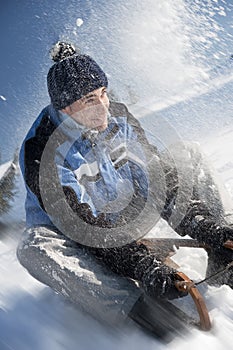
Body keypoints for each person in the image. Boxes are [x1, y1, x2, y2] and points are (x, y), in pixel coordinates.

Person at [17, 42, 232, 333]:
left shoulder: (119, 118)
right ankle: (137, 310)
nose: (104, 106)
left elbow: (157, 177)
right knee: (33, 247)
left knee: (188, 154)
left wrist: (200, 223)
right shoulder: (41, 149)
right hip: (77, 239)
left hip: (123, 217)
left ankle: (224, 248)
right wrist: (139, 265)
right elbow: (79, 225)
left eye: (104, 93)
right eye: (90, 100)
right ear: (65, 108)